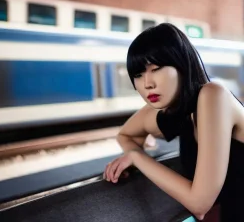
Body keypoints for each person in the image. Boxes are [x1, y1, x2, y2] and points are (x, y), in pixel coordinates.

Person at [103, 23, 244, 221]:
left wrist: (137, 157)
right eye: (138, 74)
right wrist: (135, 153)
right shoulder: (175, 112)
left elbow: (200, 204)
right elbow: (126, 135)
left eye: (156, 69)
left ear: (182, 65)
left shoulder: (213, 95)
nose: (147, 83)